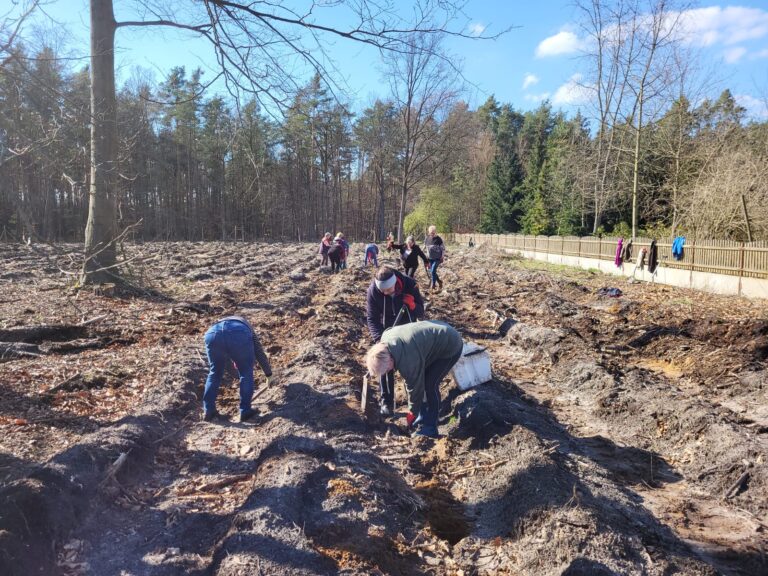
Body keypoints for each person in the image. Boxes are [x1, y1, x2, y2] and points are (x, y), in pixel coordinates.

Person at [366, 320, 463, 438]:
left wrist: (412, 411)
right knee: (422, 384)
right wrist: (414, 410)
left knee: (429, 385)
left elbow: (415, 387)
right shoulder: (385, 340)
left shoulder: (408, 360)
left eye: (387, 369)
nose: (388, 372)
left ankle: (430, 427)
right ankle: (421, 418)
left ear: (390, 360)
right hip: (434, 335)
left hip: (450, 345)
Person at [366, 266, 424, 417]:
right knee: (384, 364)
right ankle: (386, 401)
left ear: (395, 282)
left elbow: (421, 311)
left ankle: (415, 404)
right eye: (382, 291)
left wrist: (412, 305)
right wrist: (379, 340)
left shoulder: (410, 285)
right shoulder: (373, 291)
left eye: (388, 290)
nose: (385, 293)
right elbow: (372, 318)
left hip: (407, 332)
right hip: (386, 332)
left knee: (410, 367)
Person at [203, 316, 272, 422]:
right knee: (246, 372)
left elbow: (225, 363)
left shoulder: (220, 324)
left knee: (215, 372)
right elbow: (258, 352)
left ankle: (208, 411)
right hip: (239, 333)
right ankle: (245, 411)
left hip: (212, 334)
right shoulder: (246, 327)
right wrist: (268, 374)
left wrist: (236, 373)